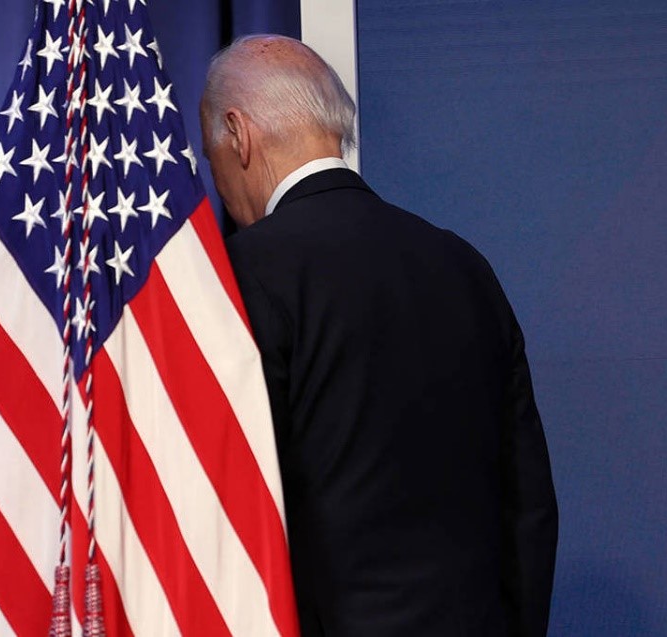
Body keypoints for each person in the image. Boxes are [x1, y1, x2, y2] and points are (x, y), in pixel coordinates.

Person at [200, 34, 558, 637]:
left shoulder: (242, 274)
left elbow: (232, 508)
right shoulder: (463, 266)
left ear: (238, 134)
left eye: (210, 158)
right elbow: (529, 507)